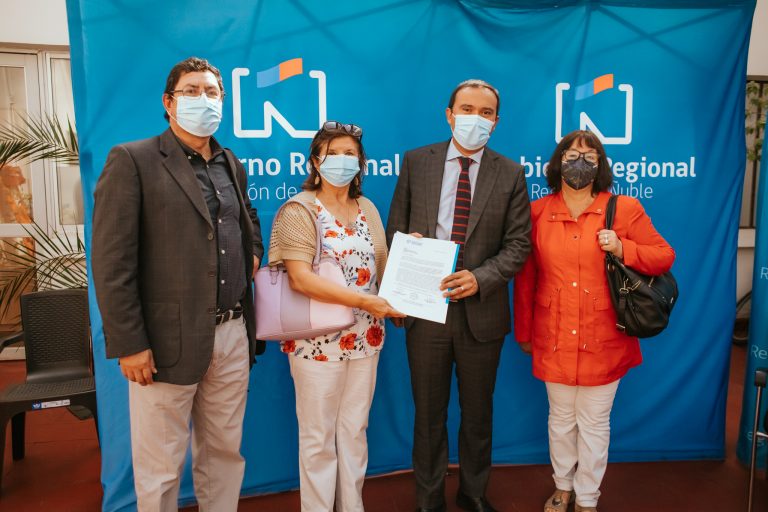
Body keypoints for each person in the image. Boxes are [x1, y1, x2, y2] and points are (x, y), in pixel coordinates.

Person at [92, 57, 263, 511]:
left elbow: (247, 218)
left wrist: (253, 252)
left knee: (224, 455)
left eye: (212, 92)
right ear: (169, 103)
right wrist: (130, 343)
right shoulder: (133, 160)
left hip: (232, 334)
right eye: (191, 91)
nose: (203, 100)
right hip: (164, 341)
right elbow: (112, 261)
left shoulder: (230, 162)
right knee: (162, 467)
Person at [386, 79, 532, 512]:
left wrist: (481, 278)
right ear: (449, 115)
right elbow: (395, 230)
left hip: (482, 314)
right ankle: (429, 499)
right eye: (467, 109)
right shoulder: (417, 162)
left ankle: (473, 493)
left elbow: (518, 244)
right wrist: (401, 277)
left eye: (485, 113)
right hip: (424, 310)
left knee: (478, 414)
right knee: (428, 415)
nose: (475, 119)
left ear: (496, 122)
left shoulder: (511, 173)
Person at [513, 130, 676, 512]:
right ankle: (562, 487)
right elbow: (526, 279)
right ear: (557, 163)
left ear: (601, 164)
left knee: (594, 422)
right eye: (572, 155)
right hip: (553, 334)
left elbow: (663, 256)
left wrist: (623, 247)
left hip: (605, 338)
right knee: (560, 420)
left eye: (590, 156)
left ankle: (587, 497)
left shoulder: (624, 209)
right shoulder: (537, 212)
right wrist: (524, 331)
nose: (580, 163)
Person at [268, 121, 404, 512]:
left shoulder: (368, 209)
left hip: (366, 339)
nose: (342, 161)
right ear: (315, 161)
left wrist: (404, 279)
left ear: (360, 163)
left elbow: (382, 267)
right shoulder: (299, 209)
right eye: (332, 154)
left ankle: (352, 506)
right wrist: (365, 302)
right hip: (316, 342)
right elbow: (300, 279)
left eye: (350, 154)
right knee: (317, 438)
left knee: (354, 431)